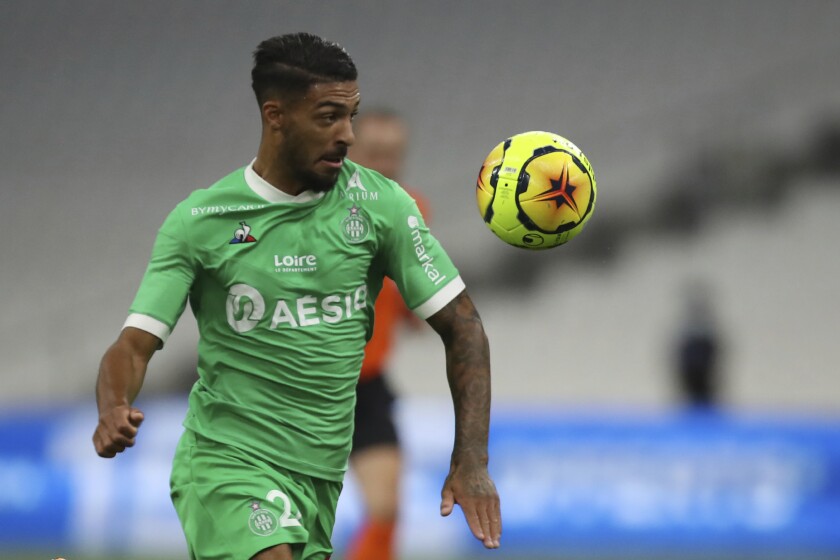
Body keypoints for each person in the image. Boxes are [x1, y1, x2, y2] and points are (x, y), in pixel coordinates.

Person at [91, 32, 501, 560]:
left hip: (318, 478)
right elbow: (134, 344)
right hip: (227, 461)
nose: (348, 135)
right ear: (275, 115)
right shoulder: (202, 222)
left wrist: (472, 459)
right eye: (329, 117)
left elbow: (464, 326)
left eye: (350, 115)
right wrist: (113, 405)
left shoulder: (383, 207)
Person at [344, 109, 425, 560]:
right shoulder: (315, 211)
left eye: (395, 155)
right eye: (376, 154)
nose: (387, 165)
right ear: (349, 150)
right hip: (304, 388)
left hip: (367, 386)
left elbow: (411, 298)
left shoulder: (411, 210)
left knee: (386, 507)